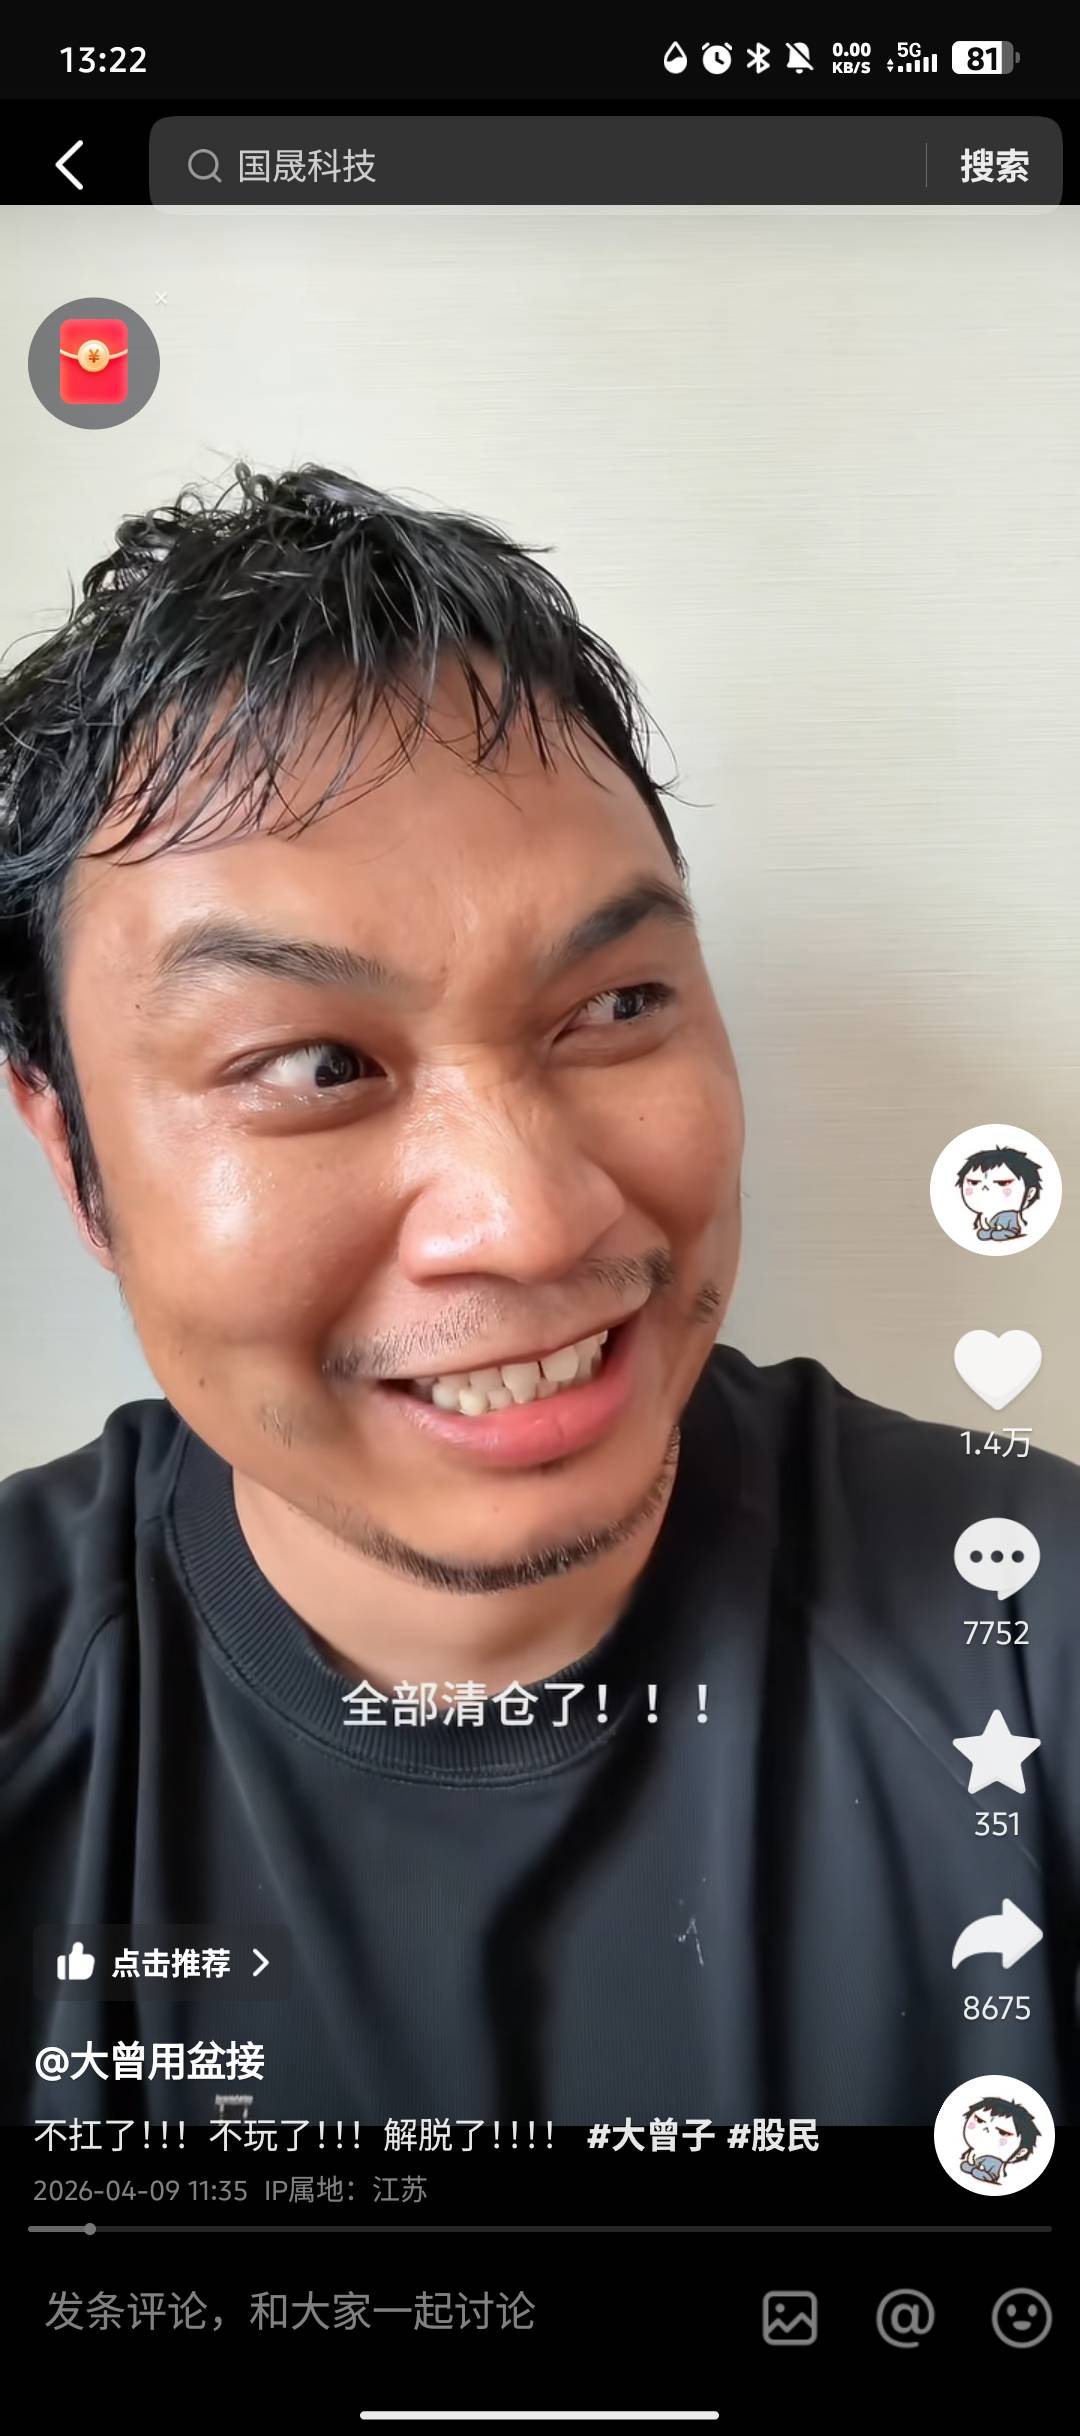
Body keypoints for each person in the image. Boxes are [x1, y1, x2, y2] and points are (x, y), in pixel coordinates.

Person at [1, 464, 1078, 2133]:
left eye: (616, 1004)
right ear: (74, 1159)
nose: (527, 1221)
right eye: (316, 1066)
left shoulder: (1027, 1641)